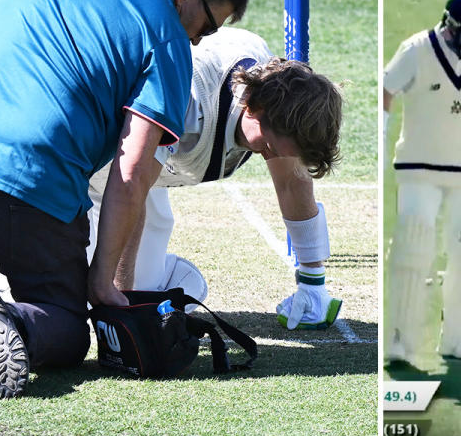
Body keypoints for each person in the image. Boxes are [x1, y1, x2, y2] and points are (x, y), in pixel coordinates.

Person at [0, 0, 249, 398]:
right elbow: (131, 172)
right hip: (32, 179)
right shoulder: (168, 39)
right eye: (205, 27)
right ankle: (9, 321)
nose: (200, 41)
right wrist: (102, 282)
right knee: (65, 327)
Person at [83, 27, 343, 329]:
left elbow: (291, 182)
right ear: (254, 108)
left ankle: (161, 278)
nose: (270, 156)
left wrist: (313, 282)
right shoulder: (187, 100)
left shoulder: (276, 106)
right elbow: (129, 185)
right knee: (88, 302)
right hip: (102, 161)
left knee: (135, 291)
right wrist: (124, 309)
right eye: (268, 147)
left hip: (144, 172)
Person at [383, 0, 461, 365]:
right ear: (451, 26)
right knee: (413, 246)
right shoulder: (417, 49)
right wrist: (384, 136)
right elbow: (387, 88)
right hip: (419, 165)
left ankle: (459, 337)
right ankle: (400, 341)